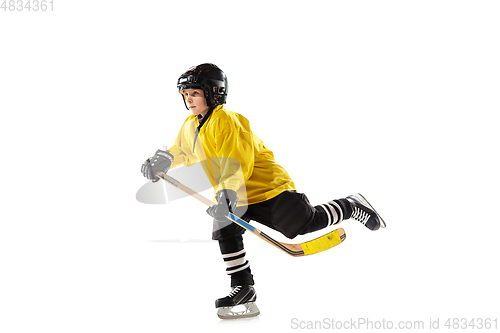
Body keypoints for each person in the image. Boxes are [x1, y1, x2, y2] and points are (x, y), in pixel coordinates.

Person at [141, 63, 386, 319]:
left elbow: (236, 163)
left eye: (194, 93)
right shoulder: (191, 125)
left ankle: (351, 205)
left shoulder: (228, 121)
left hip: (269, 188)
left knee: (303, 224)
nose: (188, 99)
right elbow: (184, 150)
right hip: (239, 194)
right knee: (224, 227)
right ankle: (244, 287)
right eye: (185, 94)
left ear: (214, 93)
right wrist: (165, 159)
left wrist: (225, 194)